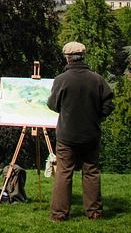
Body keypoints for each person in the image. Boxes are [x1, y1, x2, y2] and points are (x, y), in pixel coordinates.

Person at [47, 41, 114, 222]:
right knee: (91, 172)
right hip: (91, 133)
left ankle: (59, 214)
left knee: (63, 172)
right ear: (83, 56)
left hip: (67, 135)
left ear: (68, 58)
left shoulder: (61, 80)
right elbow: (109, 103)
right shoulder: (97, 79)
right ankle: (94, 212)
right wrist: (98, 116)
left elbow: (52, 105)